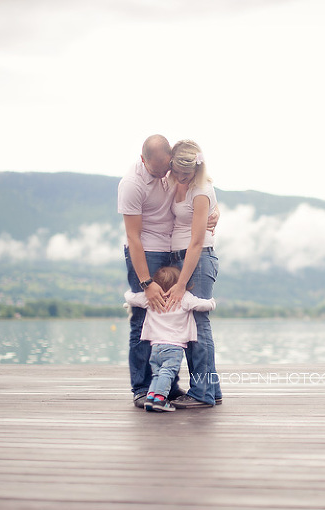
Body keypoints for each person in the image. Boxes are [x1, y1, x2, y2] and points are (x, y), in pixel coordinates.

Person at [117, 134, 218, 408]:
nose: (168, 176)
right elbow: (133, 238)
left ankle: (184, 388)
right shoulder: (132, 185)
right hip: (147, 254)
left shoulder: (176, 174)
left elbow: (202, 196)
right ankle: (143, 388)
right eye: (162, 170)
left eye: (169, 169)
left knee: (184, 319)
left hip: (178, 255)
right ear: (144, 160)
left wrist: (215, 210)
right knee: (143, 318)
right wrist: (146, 282)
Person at [165, 140, 222, 409]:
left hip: (197, 261)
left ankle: (202, 392)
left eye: (185, 174)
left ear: (196, 169)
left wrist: (181, 283)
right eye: (176, 172)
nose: (180, 177)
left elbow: (197, 242)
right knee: (192, 327)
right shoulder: (175, 180)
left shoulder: (201, 191)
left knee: (199, 327)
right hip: (181, 259)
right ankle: (212, 389)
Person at [124, 266, 216, 412]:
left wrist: (129, 292)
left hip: (155, 346)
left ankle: (150, 398)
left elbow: (131, 298)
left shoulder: (150, 299)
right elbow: (203, 305)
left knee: (157, 373)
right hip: (174, 347)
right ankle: (160, 400)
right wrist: (212, 302)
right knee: (167, 372)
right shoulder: (184, 297)